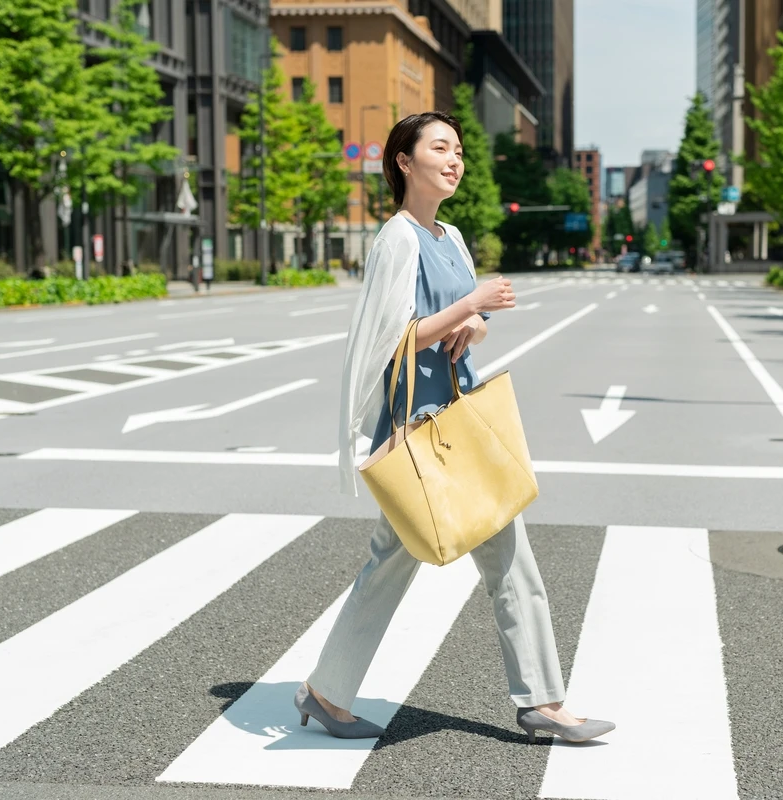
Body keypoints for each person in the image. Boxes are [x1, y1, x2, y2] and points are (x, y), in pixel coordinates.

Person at [294, 111, 615, 745]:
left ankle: (539, 701)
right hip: (417, 430)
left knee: (496, 557)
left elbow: (464, 328)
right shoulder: (397, 239)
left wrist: (475, 324)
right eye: (440, 147)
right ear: (403, 161)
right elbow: (391, 341)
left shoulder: (453, 236)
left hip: (457, 418)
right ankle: (331, 694)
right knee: (417, 564)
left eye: (459, 150)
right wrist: (470, 305)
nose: (455, 159)